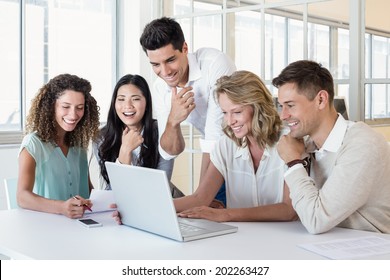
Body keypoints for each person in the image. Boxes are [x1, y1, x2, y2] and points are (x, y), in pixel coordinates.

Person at [273, 60, 390, 234]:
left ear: (321, 100)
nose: (283, 115)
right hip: (327, 247)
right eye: (281, 106)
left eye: (290, 105)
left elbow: (315, 220)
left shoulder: (362, 145)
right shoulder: (306, 146)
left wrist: (293, 163)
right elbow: (303, 210)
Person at [173, 70, 297, 222]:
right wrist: (154, 206)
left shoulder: (289, 141)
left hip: (285, 239)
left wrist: (226, 214)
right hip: (239, 238)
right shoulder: (225, 145)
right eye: (225, 112)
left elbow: (288, 210)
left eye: (237, 112)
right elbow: (200, 198)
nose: (230, 121)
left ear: (258, 107)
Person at [139, 17, 237, 206]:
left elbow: (215, 135)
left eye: (170, 60)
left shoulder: (214, 63)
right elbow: (169, 151)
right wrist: (172, 122)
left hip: (246, 151)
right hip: (219, 155)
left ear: (184, 48)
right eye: (155, 65)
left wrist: (200, 198)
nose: (165, 71)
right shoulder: (160, 88)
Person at [17, 73, 100, 219]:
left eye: (79, 107)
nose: (73, 115)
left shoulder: (79, 146)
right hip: (44, 225)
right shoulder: (33, 144)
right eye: (66, 107)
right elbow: (22, 196)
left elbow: (87, 189)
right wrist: (61, 207)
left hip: (77, 225)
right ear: (51, 106)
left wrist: (102, 203)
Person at [96, 74, 184, 197]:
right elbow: (113, 189)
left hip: (164, 202)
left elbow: (160, 185)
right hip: (123, 205)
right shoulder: (101, 137)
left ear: (146, 103)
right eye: (121, 99)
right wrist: (125, 151)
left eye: (135, 99)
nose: (128, 105)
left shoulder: (162, 132)